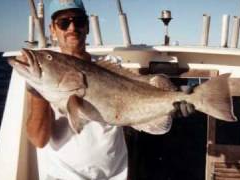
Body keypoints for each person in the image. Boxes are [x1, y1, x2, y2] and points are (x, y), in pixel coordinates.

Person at [25, 0, 194, 179]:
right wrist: (39, 88)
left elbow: (141, 101)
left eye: (79, 21)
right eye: (63, 23)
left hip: (114, 175)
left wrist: (172, 101)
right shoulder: (42, 80)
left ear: (87, 27)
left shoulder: (111, 65)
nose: (72, 27)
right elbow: (38, 140)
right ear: (52, 29)